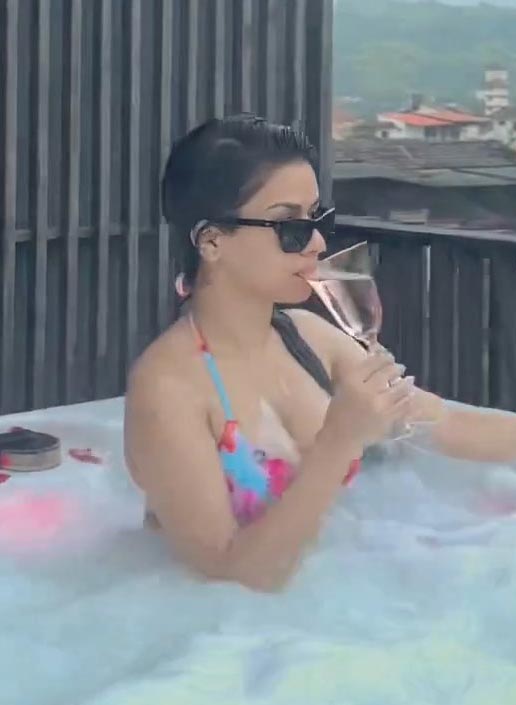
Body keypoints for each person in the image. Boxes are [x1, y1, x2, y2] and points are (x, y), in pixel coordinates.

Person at [124, 114, 516, 592]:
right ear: (212, 241)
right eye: (291, 226)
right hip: (227, 627)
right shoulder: (168, 389)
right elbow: (235, 575)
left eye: (318, 219)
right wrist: (339, 440)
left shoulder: (310, 339)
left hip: (334, 599)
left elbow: (443, 425)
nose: (318, 242)